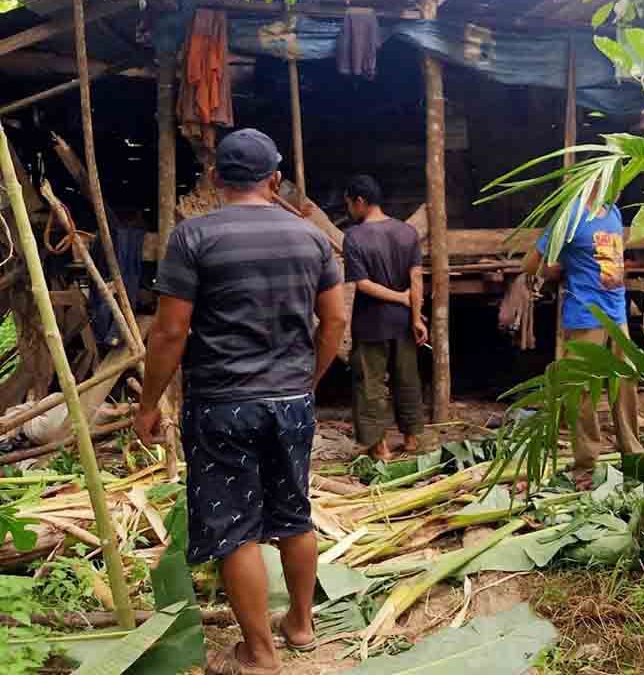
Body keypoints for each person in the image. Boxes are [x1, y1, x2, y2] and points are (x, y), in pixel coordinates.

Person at [134, 129, 346, 675]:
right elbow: (336, 321)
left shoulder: (193, 236)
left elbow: (170, 333)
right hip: (291, 399)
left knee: (235, 528)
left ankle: (259, 653)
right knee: (294, 516)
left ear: (214, 179)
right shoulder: (312, 238)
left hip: (222, 403)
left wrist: (148, 403)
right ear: (275, 179)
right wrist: (309, 381)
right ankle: (300, 625)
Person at [523, 188, 644, 487]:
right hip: (585, 315)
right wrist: (561, 270)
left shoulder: (613, 211)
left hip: (617, 315)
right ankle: (586, 465)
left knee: (626, 385)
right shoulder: (570, 215)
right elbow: (531, 263)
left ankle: (635, 455)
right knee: (582, 392)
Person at [343, 174, 428, 461]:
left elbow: (363, 284)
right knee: (408, 378)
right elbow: (416, 278)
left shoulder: (354, 236)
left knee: (370, 383)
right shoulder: (407, 232)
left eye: (349, 204)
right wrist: (415, 316)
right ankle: (413, 438)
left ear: (360, 202)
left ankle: (379, 447)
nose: (349, 210)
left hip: (370, 323)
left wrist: (398, 298)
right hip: (403, 321)